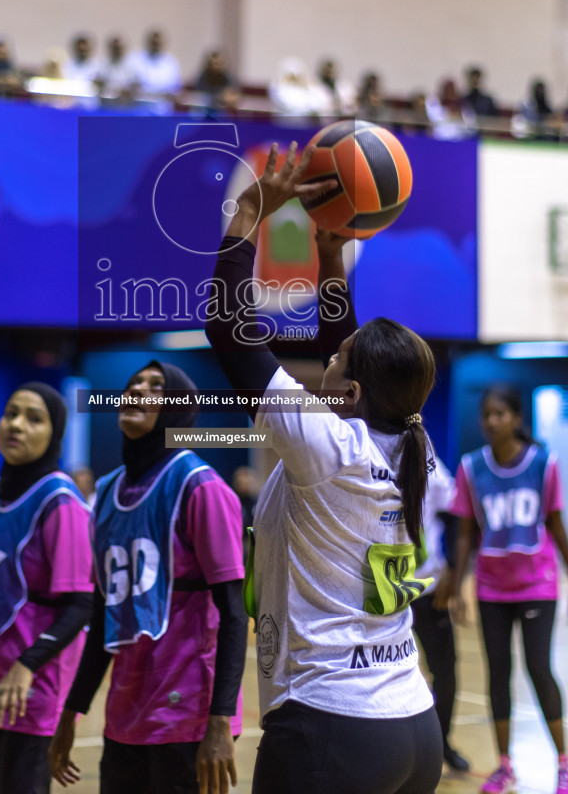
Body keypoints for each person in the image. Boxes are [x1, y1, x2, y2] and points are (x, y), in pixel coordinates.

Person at [203, 142, 443, 794]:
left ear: (352, 390)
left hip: (333, 727)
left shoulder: (331, 451)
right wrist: (331, 254)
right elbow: (365, 359)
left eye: (336, 358)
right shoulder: (414, 445)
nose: (326, 356)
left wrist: (250, 214)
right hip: (414, 725)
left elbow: (228, 330)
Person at [50, 361, 246, 794]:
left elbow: (234, 612)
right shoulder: (106, 493)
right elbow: (104, 615)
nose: (138, 389)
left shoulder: (201, 487)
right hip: (126, 712)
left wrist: (219, 722)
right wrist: (71, 712)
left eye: (156, 386)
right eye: (133, 383)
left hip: (189, 711)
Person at [0, 383, 94, 794]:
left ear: (55, 434)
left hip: (32, 683)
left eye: (34, 418)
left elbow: (82, 605)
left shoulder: (60, 502)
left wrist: (27, 664)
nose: (16, 424)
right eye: (11, 413)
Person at [448, 386, 568, 794]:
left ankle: (564, 764)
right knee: (498, 673)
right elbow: (465, 534)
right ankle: (504, 764)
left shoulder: (543, 464)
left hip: (537, 584)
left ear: (517, 419)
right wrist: (457, 587)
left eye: (501, 413)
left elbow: (556, 522)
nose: (492, 421)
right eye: (487, 414)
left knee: (539, 668)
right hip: (492, 587)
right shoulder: (472, 469)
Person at [419, 452, 472, 775]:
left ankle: (441, 742)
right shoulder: (358, 451)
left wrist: (452, 572)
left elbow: (456, 518)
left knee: (445, 670)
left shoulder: (428, 463)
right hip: (380, 593)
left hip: (427, 588)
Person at [128, 28, 183, 109]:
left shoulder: (171, 63)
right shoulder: (136, 59)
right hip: (140, 109)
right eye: (154, 43)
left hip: (163, 110)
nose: (156, 46)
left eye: (158, 43)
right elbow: (132, 86)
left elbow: (175, 89)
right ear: (148, 42)